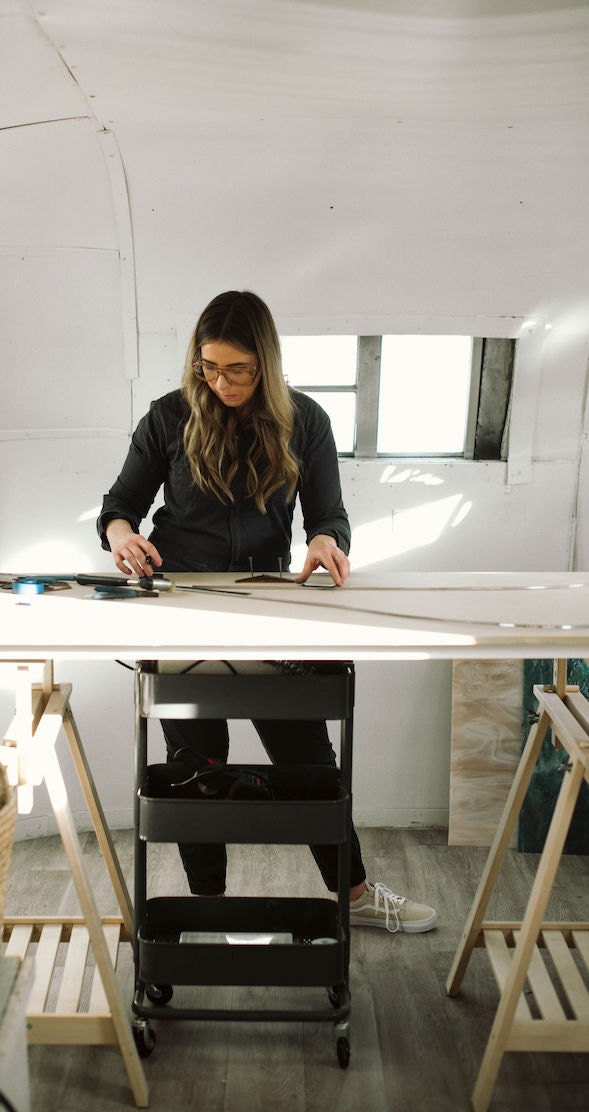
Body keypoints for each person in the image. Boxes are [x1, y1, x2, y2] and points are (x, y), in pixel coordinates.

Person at [98, 289, 437, 933]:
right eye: (209, 367)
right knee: (198, 771)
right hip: (181, 612)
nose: (220, 382)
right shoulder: (168, 418)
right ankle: (214, 907)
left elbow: (328, 513)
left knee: (308, 761)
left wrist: (324, 540)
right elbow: (119, 506)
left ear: (267, 363)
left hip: (264, 610)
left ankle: (355, 895)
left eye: (237, 369)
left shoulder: (304, 420)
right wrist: (122, 536)